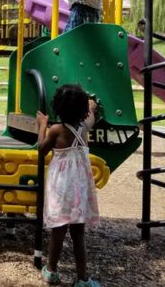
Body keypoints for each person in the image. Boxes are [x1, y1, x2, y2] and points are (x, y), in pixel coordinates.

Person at [36, 84, 101, 287]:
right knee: (78, 233)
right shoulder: (84, 127)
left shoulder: (56, 130)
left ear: (58, 108)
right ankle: (82, 279)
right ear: (81, 110)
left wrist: (42, 124)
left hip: (62, 188)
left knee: (58, 230)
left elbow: (41, 150)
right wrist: (91, 105)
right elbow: (90, 113)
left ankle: (51, 271)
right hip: (79, 191)